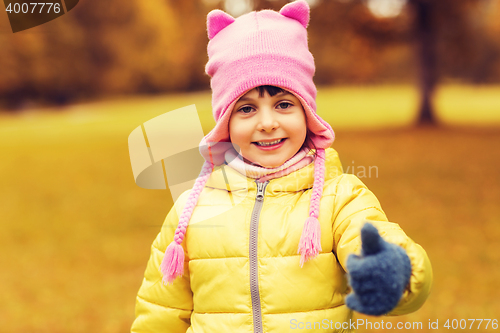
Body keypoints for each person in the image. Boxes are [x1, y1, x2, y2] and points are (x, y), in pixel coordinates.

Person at [131, 1, 432, 332]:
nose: (267, 123)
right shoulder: (193, 208)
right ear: (225, 123)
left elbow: (375, 241)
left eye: (284, 104)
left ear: (307, 112)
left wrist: (392, 269)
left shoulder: (339, 197)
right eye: (246, 109)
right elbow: (160, 310)